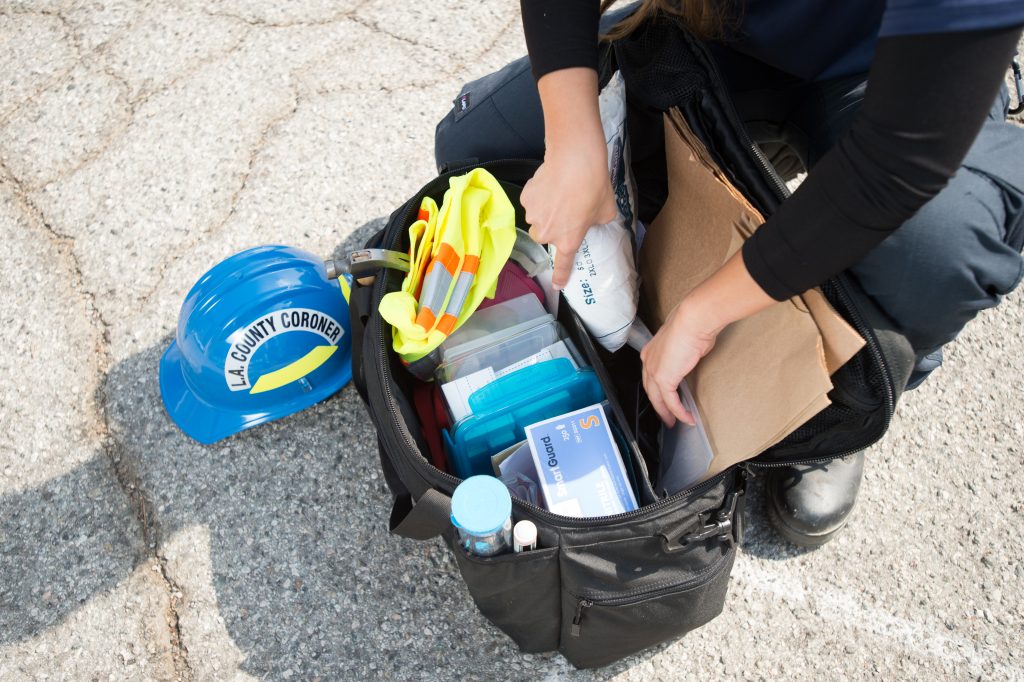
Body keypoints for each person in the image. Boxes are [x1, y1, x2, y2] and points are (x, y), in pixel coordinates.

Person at [434, 0, 1024, 546]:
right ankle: (734, 165)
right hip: (721, 26)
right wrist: (575, 144)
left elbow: (894, 168)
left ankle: (846, 392)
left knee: (937, 240)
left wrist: (701, 313)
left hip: (891, 71)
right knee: (477, 152)